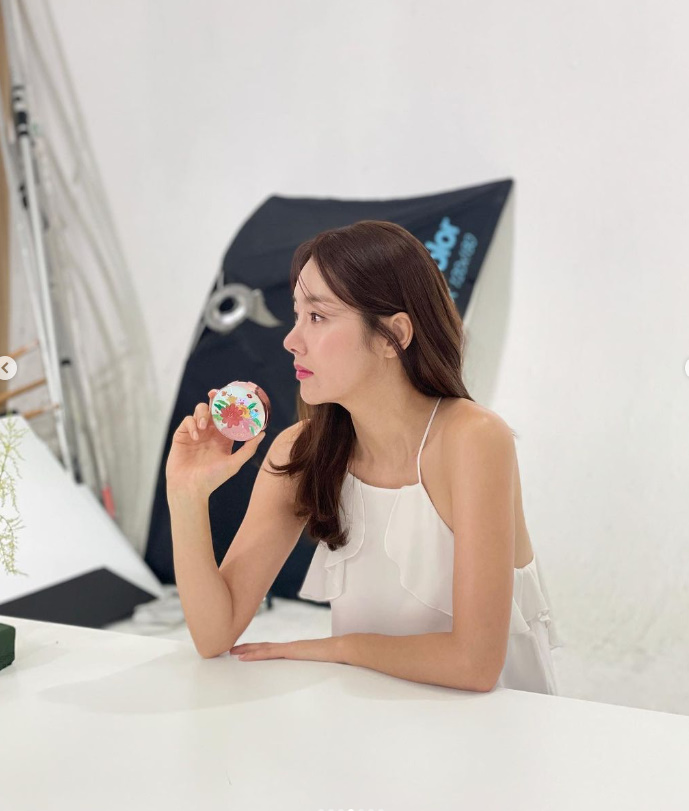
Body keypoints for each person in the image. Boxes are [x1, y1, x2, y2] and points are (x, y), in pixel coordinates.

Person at [166, 219, 563, 694]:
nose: (291, 340)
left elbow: (474, 666)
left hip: (498, 723)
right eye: (297, 315)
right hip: (376, 718)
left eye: (317, 317)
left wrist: (337, 648)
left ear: (393, 335)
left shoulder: (474, 440)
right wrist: (186, 494)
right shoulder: (301, 451)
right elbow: (213, 633)